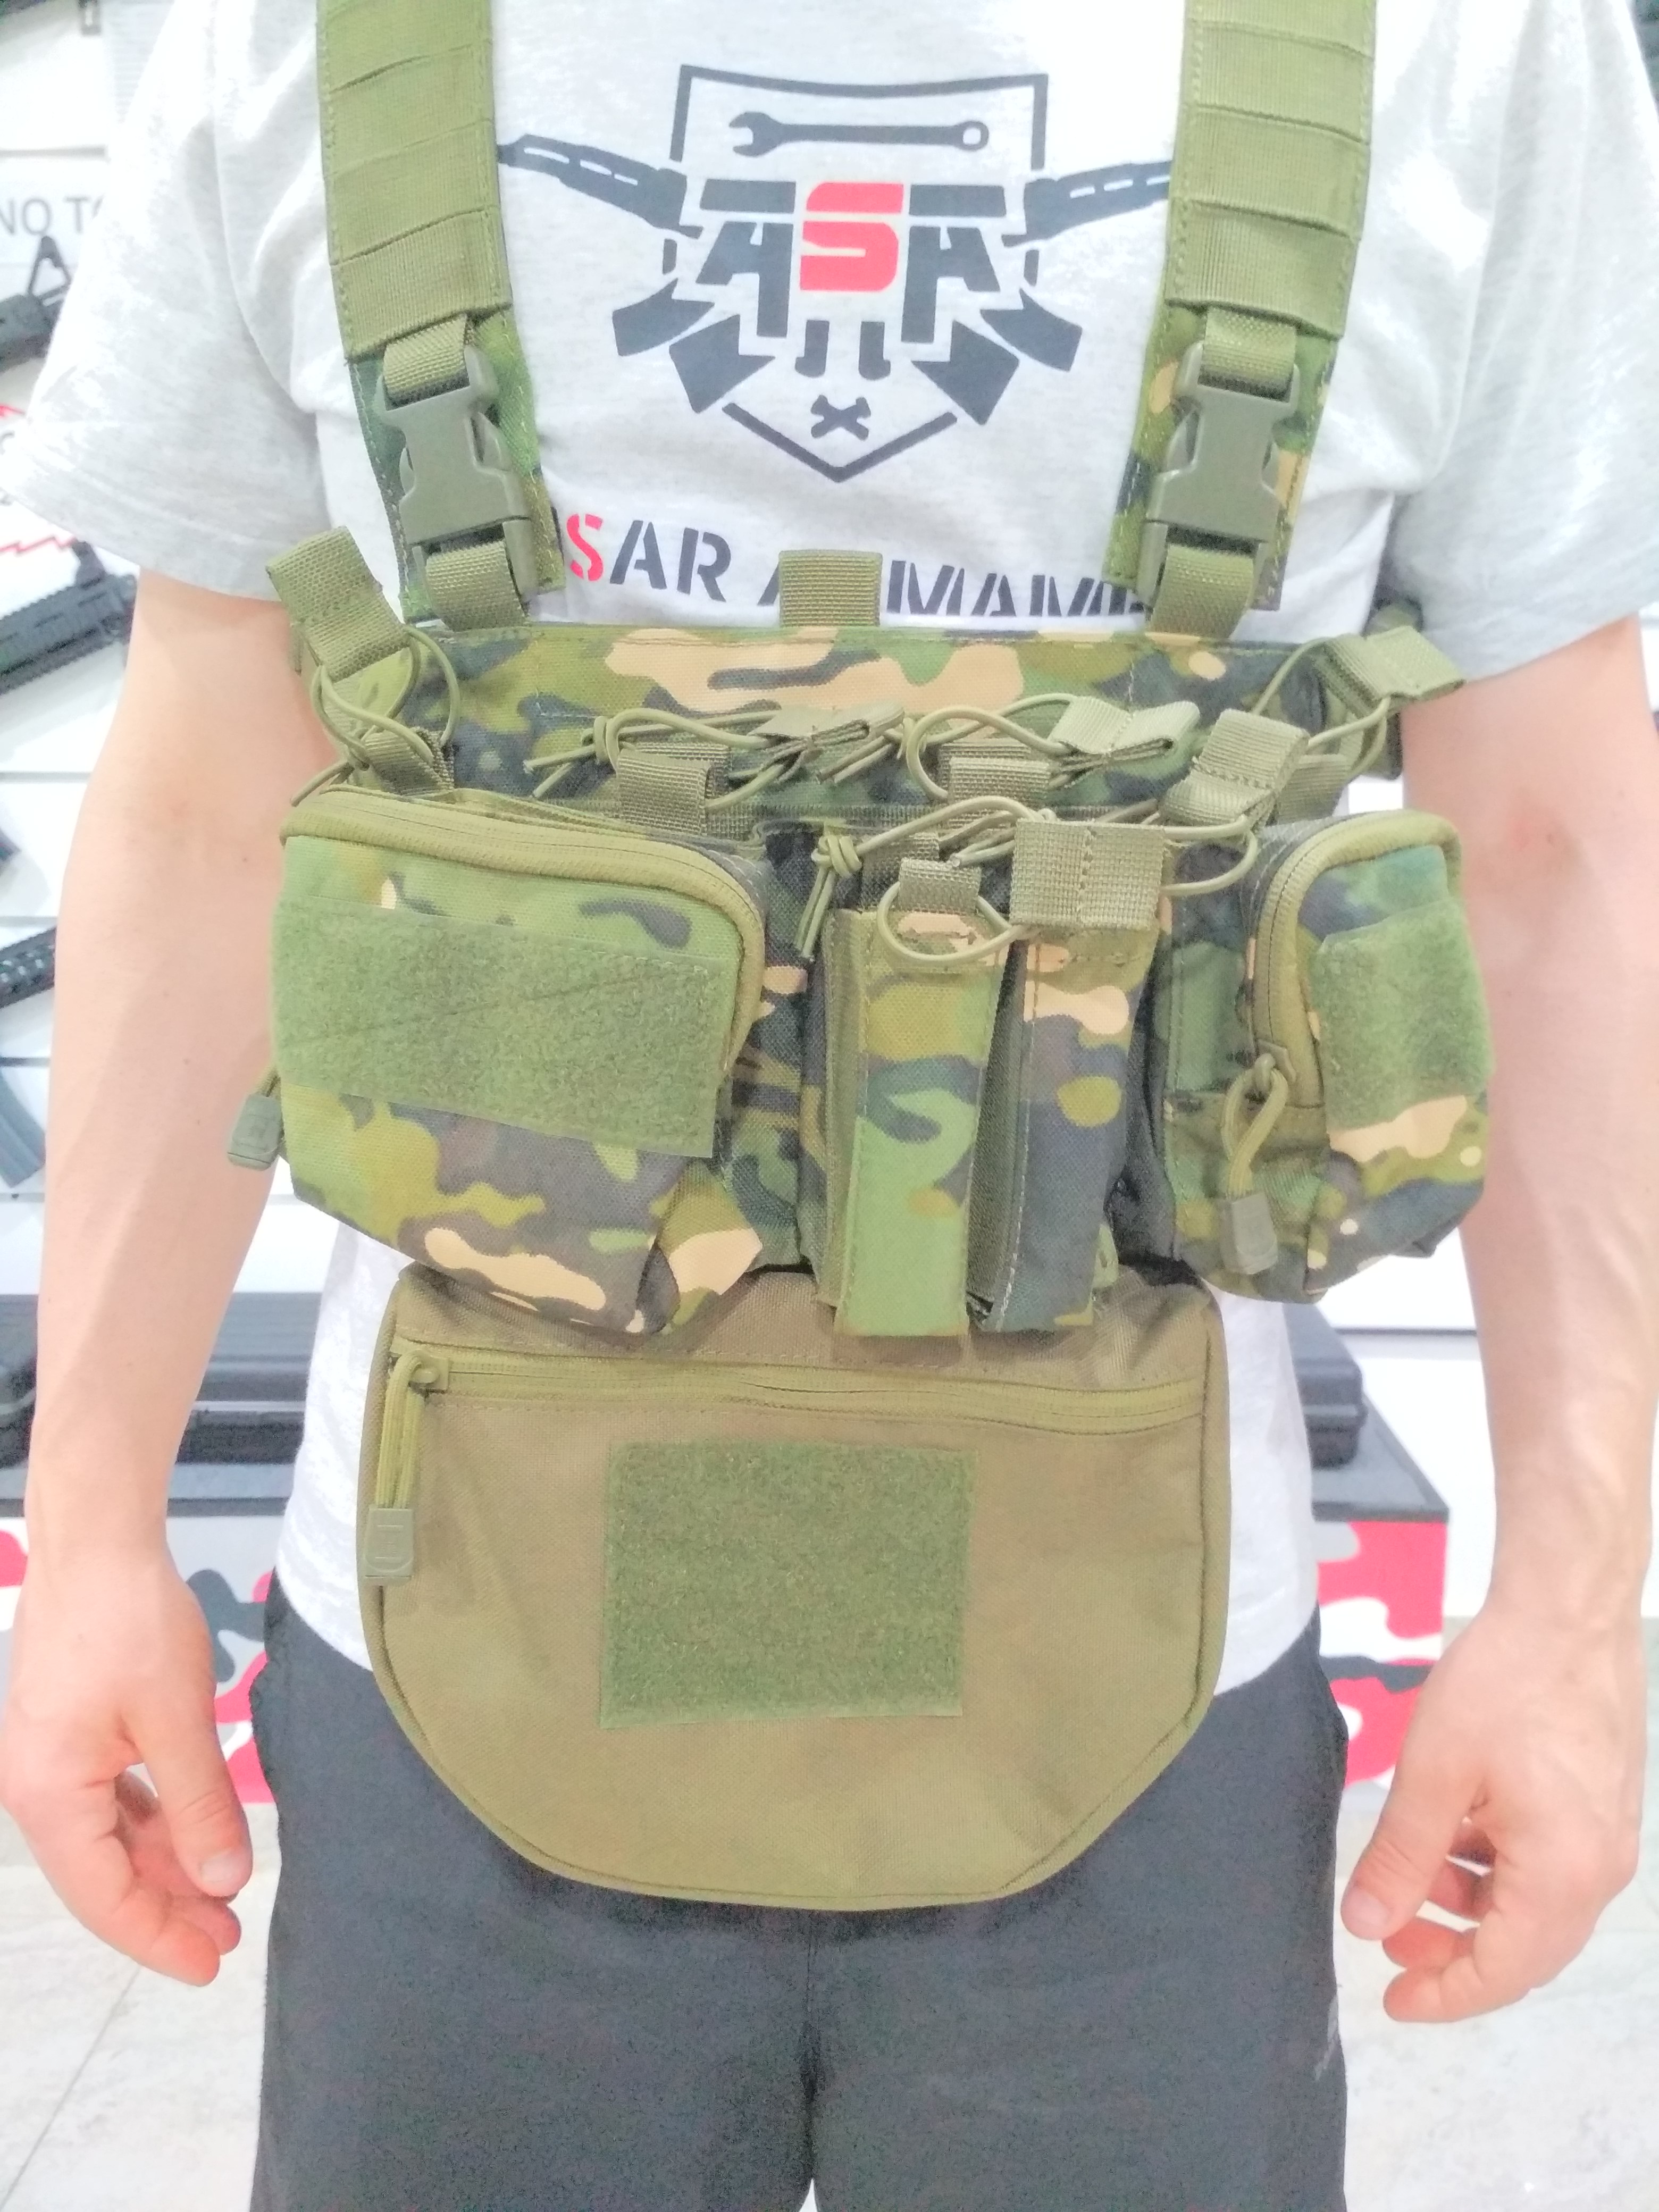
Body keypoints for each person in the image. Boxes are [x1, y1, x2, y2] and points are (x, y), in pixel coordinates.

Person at [3, 1, 1659, 2205]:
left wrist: (1576, 1606)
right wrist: (91, 1526)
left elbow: (1552, 851)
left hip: (1144, 1710)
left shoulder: (1471, 36)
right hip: (448, 1668)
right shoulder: (283, 31)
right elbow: (212, 795)